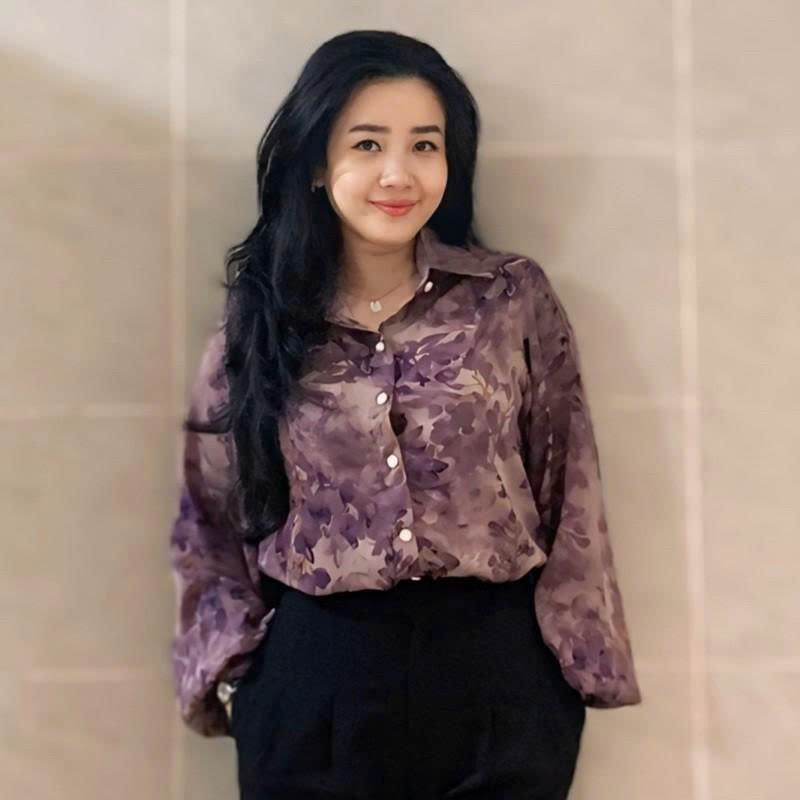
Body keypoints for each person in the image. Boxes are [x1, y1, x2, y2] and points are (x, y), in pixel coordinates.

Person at [168, 28, 642, 800]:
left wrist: (577, 664)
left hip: (499, 681)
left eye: (425, 144)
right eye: (367, 144)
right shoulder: (261, 317)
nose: (399, 173)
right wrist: (231, 675)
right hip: (315, 682)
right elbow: (207, 512)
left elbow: (571, 488)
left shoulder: (508, 297)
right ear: (317, 163)